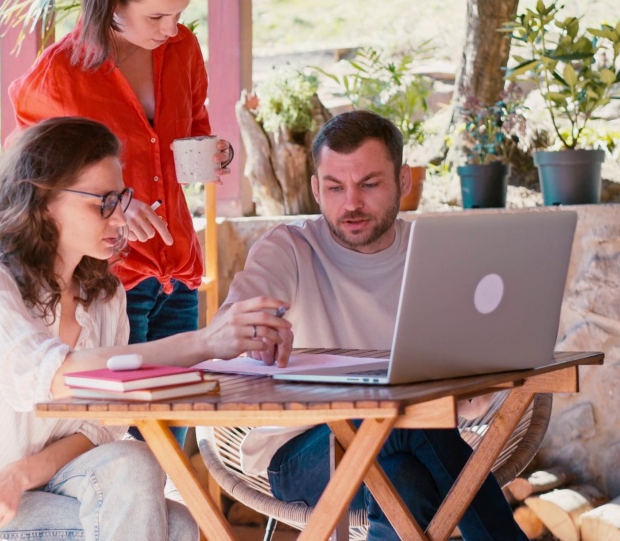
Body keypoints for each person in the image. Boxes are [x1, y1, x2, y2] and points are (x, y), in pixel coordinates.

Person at [0, 117, 290, 540]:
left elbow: (100, 425)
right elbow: (56, 374)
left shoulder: (105, 295)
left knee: (137, 463)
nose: (121, 217)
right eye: (103, 202)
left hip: (39, 484)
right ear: (43, 199)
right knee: (174, 526)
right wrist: (204, 343)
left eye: (122, 199)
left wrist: (21, 474)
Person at [222, 110, 526, 541]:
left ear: (403, 181)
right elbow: (233, 323)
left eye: (369, 184)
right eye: (334, 187)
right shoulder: (289, 247)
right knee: (405, 423)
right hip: (302, 449)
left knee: (405, 478)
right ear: (315, 188)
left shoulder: (434, 254)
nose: (351, 204)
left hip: (410, 442)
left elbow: (477, 387)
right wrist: (252, 329)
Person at [9, 0, 232, 378]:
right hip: (109, 282)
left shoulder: (183, 49)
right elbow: (29, 182)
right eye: (156, 17)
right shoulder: (60, 75)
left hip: (178, 272)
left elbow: (192, 128)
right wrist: (109, 200)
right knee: (126, 436)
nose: (171, 29)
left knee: (174, 427)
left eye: (179, 13)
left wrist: (216, 151)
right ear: (113, 1)